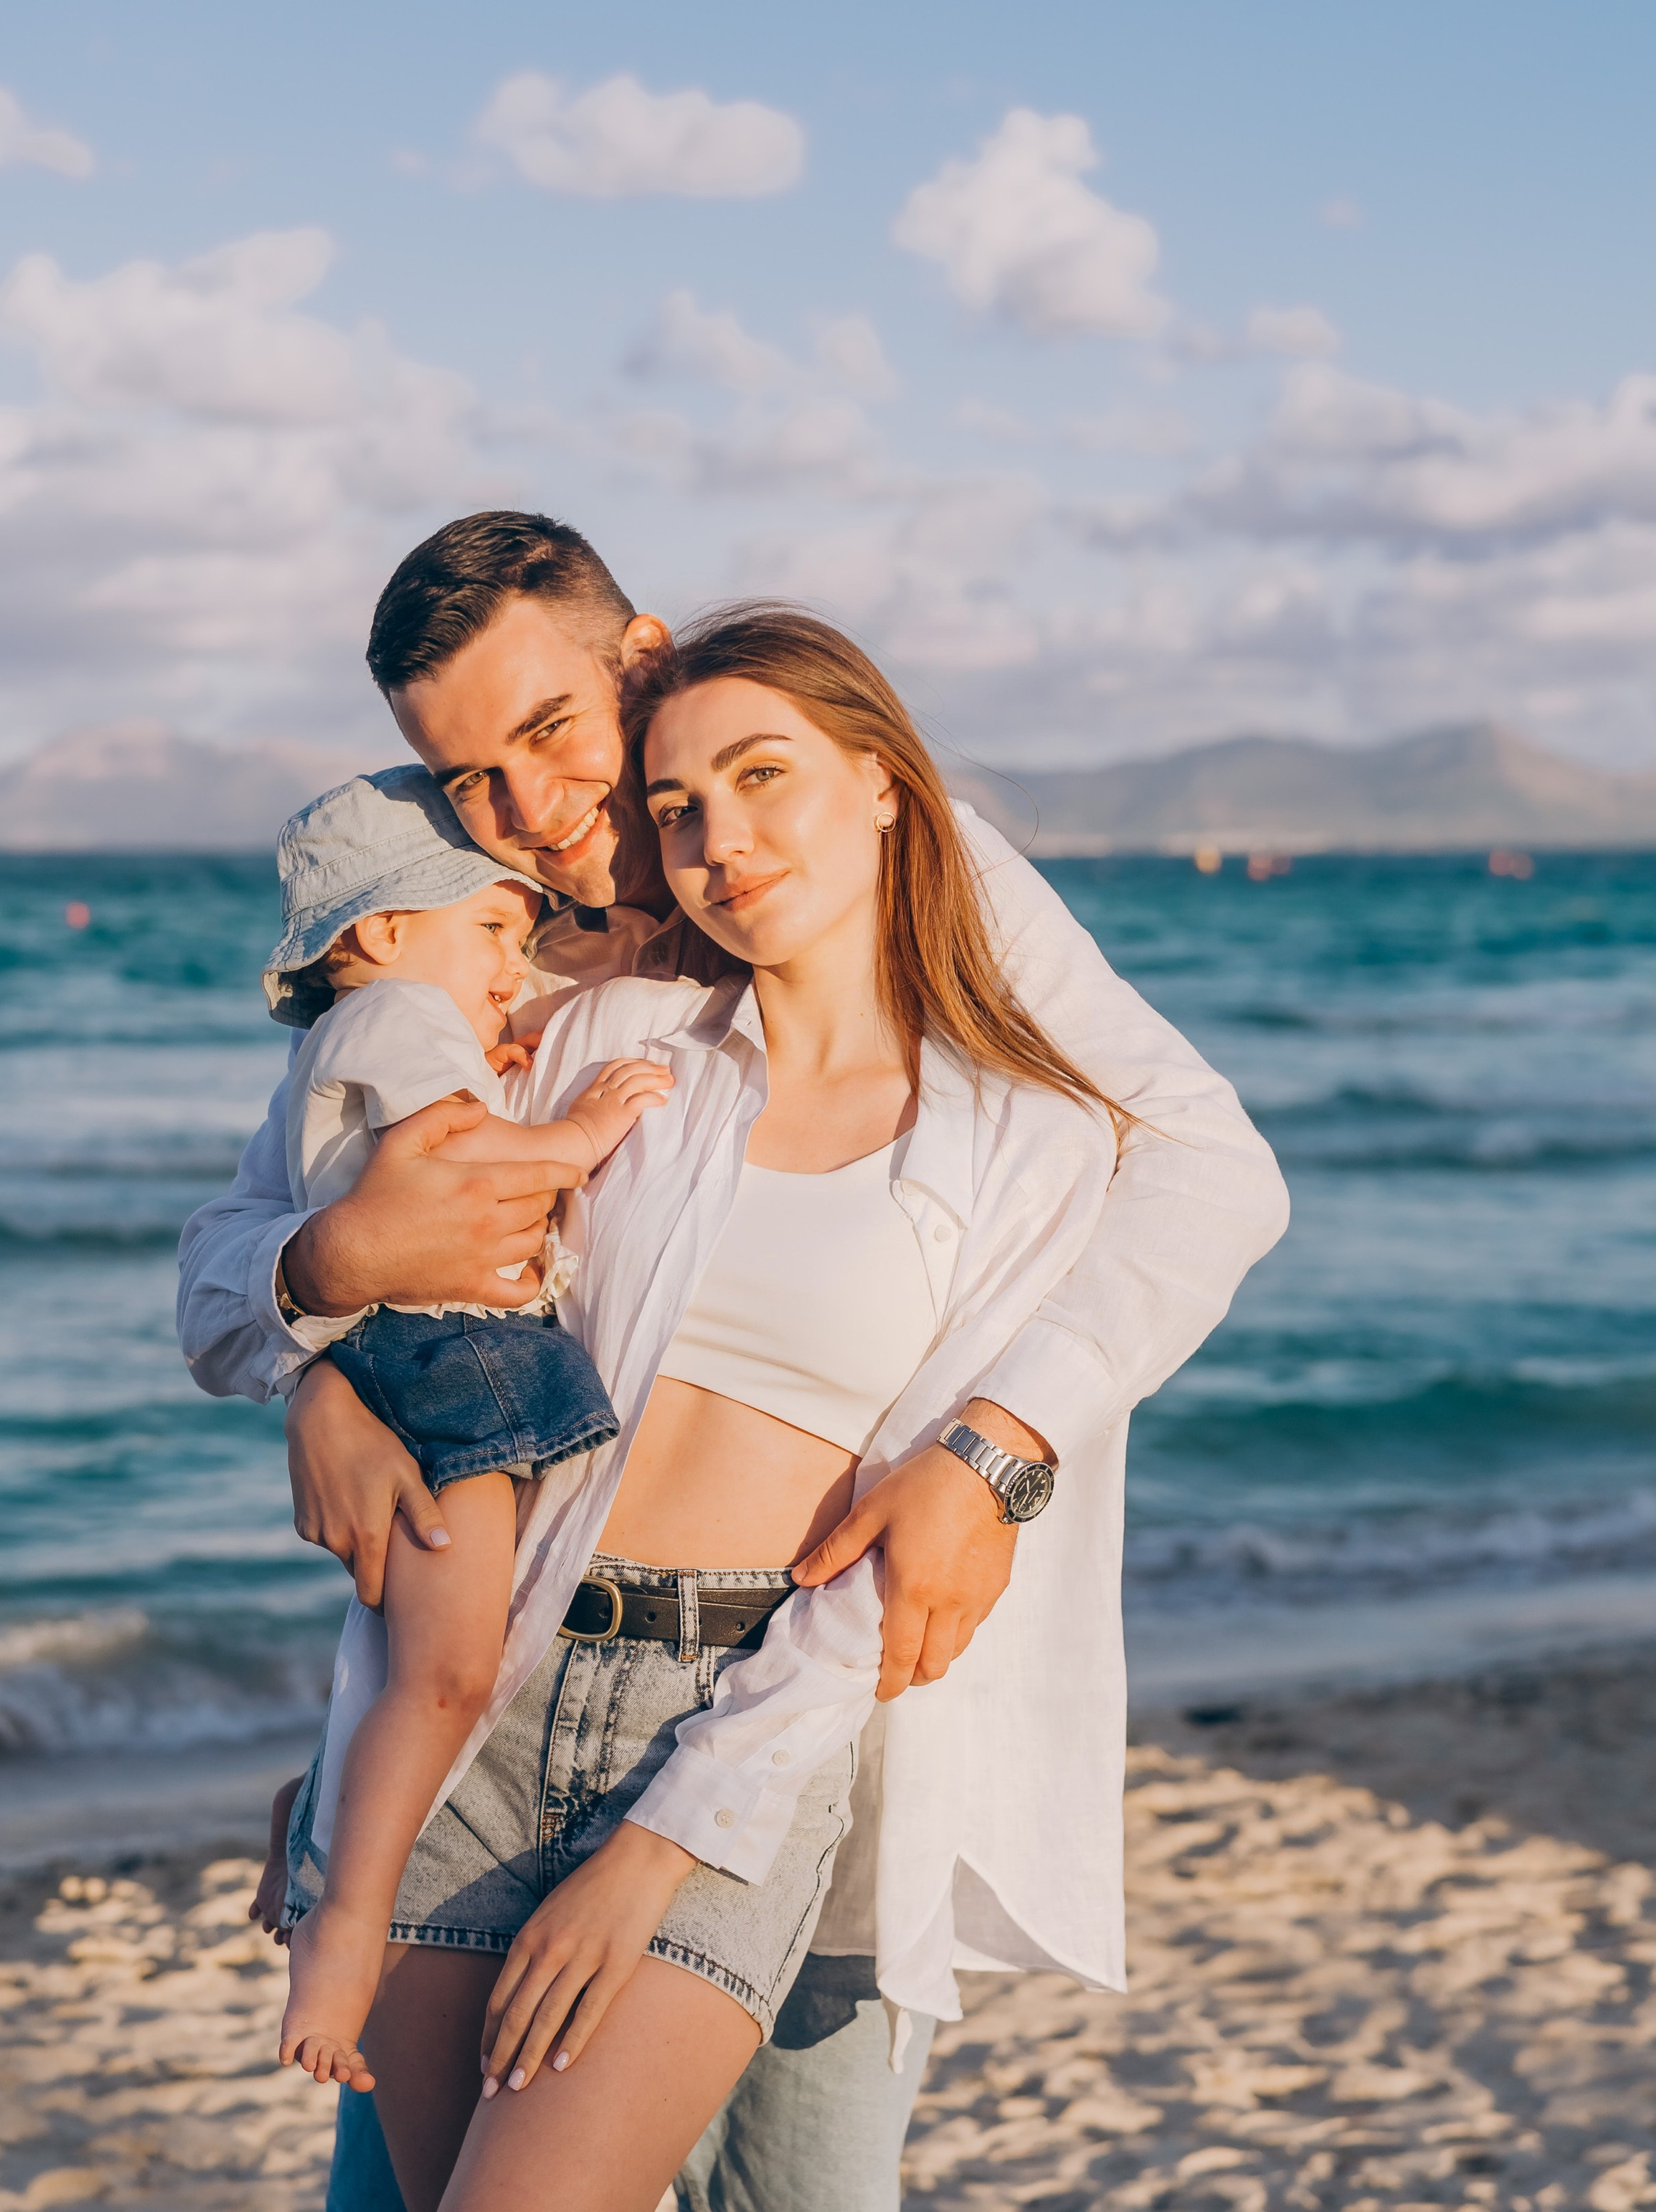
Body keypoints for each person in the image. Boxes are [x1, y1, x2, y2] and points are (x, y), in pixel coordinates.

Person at [178, 514, 1289, 2212]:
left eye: (552, 735)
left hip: (798, 1714)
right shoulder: (535, 970)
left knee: (794, 2185)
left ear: (642, 663)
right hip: (501, 1681)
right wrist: (319, 1332)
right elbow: (311, 1239)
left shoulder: (885, 884)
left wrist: (994, 1449)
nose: (538, 814)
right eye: (468, 780)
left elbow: (1205, 1164)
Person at [256, 764, 671, 2085]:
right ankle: (346, 1914)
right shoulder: (393, 1020)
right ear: (377, 936)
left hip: (426, 1355)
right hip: (446, 1358)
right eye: (495, 928)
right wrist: (576, 1131)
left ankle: (335, 1847)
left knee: (431, 1664)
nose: (518, 961)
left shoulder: (372, 1030)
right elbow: (453, 1166)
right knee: (449, 1672)